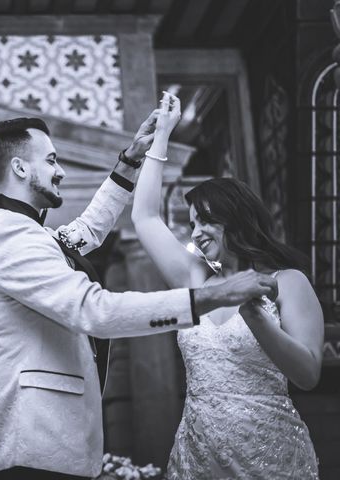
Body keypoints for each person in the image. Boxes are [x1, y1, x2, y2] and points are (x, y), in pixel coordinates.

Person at [0, 115, 279, 480]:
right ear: (18, 167)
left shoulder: (13, 227)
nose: (59, 170)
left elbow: (83, 233)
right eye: (50, 160)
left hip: (40, 444)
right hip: (33, 447)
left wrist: (129, 162)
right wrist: (209, 296)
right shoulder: (6, 233)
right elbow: (93, 310)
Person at [131, 92, 322, 479]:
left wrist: (256, 316)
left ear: (236, 220)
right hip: (198, 454)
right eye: (193, 223)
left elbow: (308, 374)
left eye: (206, 221)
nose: (196, 233)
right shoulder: (197, 279)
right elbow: (146, 217)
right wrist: (162, 135)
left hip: (270, 452)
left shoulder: (287, 282)